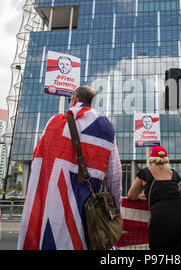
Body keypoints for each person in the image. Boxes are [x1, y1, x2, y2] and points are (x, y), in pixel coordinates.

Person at [17, 86, 122, 250]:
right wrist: (116, 208)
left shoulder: (53, 124)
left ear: (74, 99)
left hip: (51, 215)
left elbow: (39, 166)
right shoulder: (105, 128)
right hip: (87, 215)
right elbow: (115, 176)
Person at [127, 146, 181, 250]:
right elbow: (174, 192)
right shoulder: (174, 173)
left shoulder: (146, 172)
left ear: (152, 157)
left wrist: (142, 195)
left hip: (161, 215)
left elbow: (131, 196)